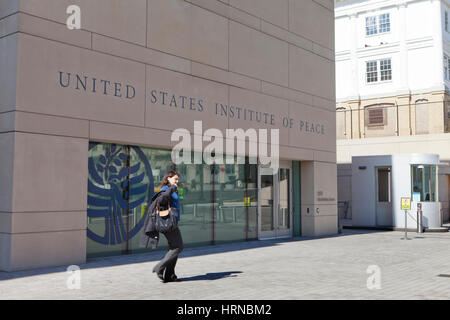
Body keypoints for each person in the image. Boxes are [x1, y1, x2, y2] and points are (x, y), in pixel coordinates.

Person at [152, 170, 183, 283]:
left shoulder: (171, 189)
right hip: (167, 223)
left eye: (177, 179)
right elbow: (161, 199)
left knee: (173, 248)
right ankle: (159, 267)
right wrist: (171, 189)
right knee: (178, 247)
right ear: (168, 178)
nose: (177, 181)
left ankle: (170, 275)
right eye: (175, 178)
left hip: (172, 222)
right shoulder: (165, 189)